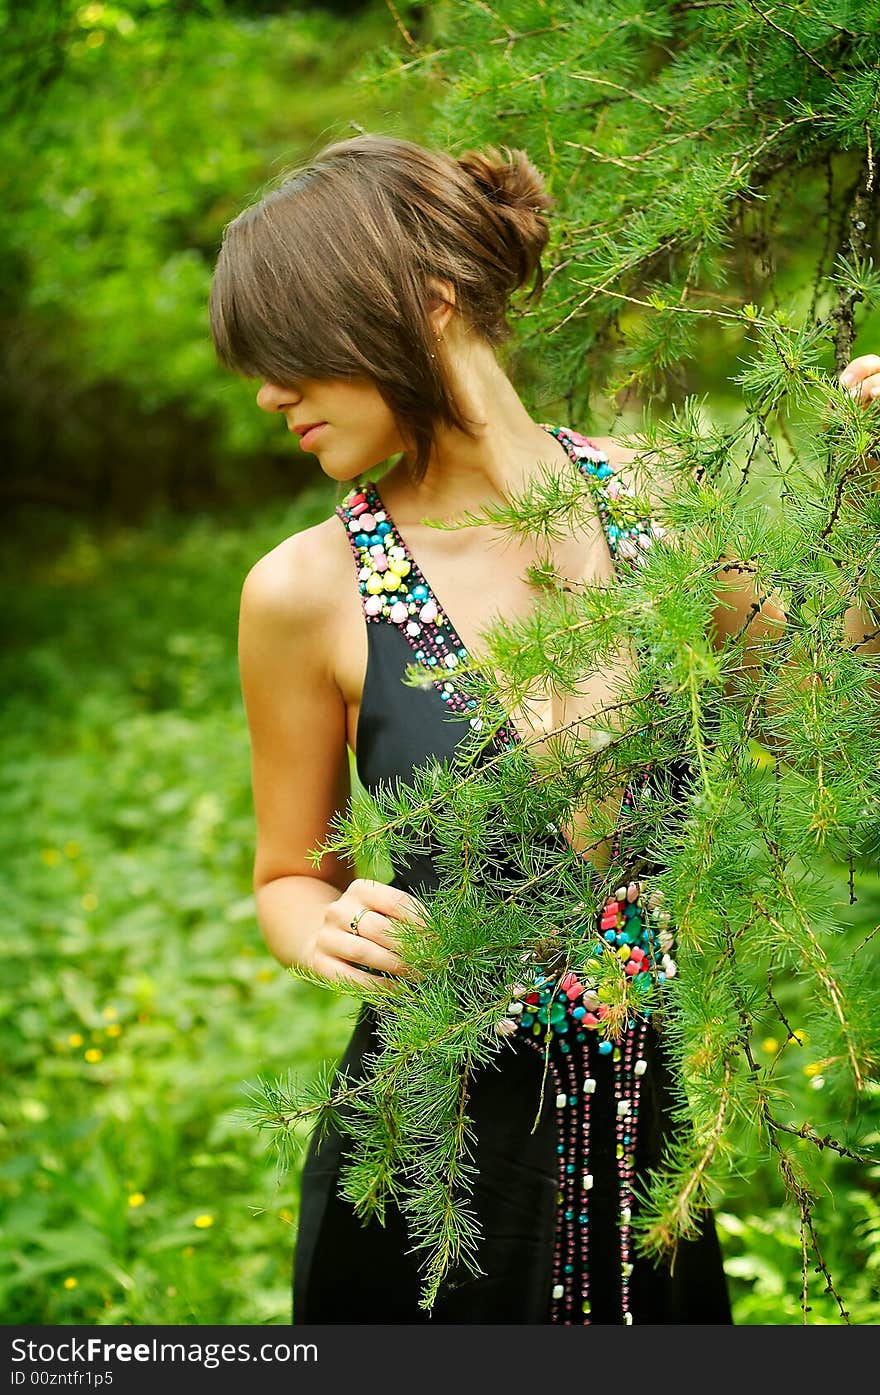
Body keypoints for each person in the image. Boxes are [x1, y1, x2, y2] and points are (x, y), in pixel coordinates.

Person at [208, 132, 880, 1325]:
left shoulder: (666, 513)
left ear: (426, 301)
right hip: (425, 1181)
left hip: (644, 1152)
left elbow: (843, 725)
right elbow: (283, 879)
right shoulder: (303, 592)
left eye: (289, 354)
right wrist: (321, 928)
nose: (269, 395)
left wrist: (873, 494)